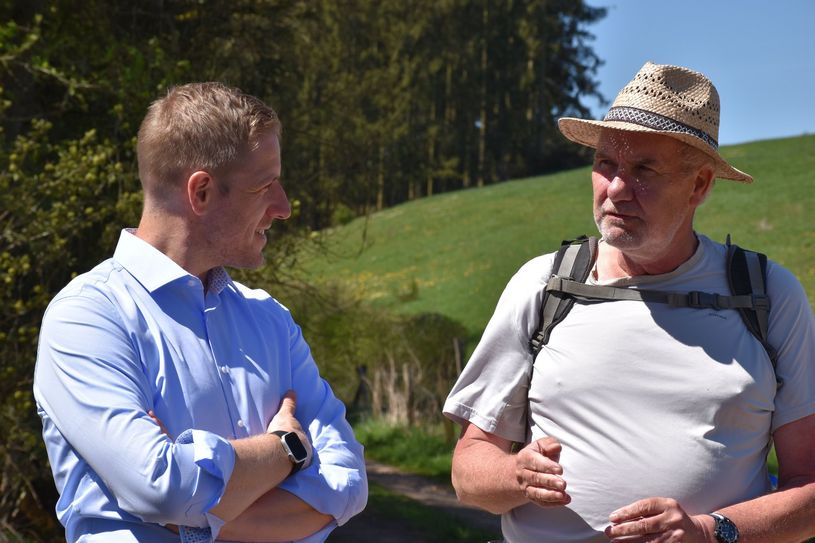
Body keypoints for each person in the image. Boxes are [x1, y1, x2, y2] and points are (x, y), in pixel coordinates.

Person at [443, 62, 815, 542]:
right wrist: (516, 474)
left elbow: (809, 488)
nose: (616, 189)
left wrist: (710, 533)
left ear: (699, 184)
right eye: (606, 165)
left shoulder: (766, 294)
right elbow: (468, 473)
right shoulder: (547, 285)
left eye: (643, 170)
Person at [34, 82, 367, 542]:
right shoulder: (87, 318)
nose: (284, 207)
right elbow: (161, 488)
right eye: (265, 185)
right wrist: (287, 449)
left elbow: (348, 483)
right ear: (203, 192)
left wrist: (193, 517)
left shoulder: (271, 320)